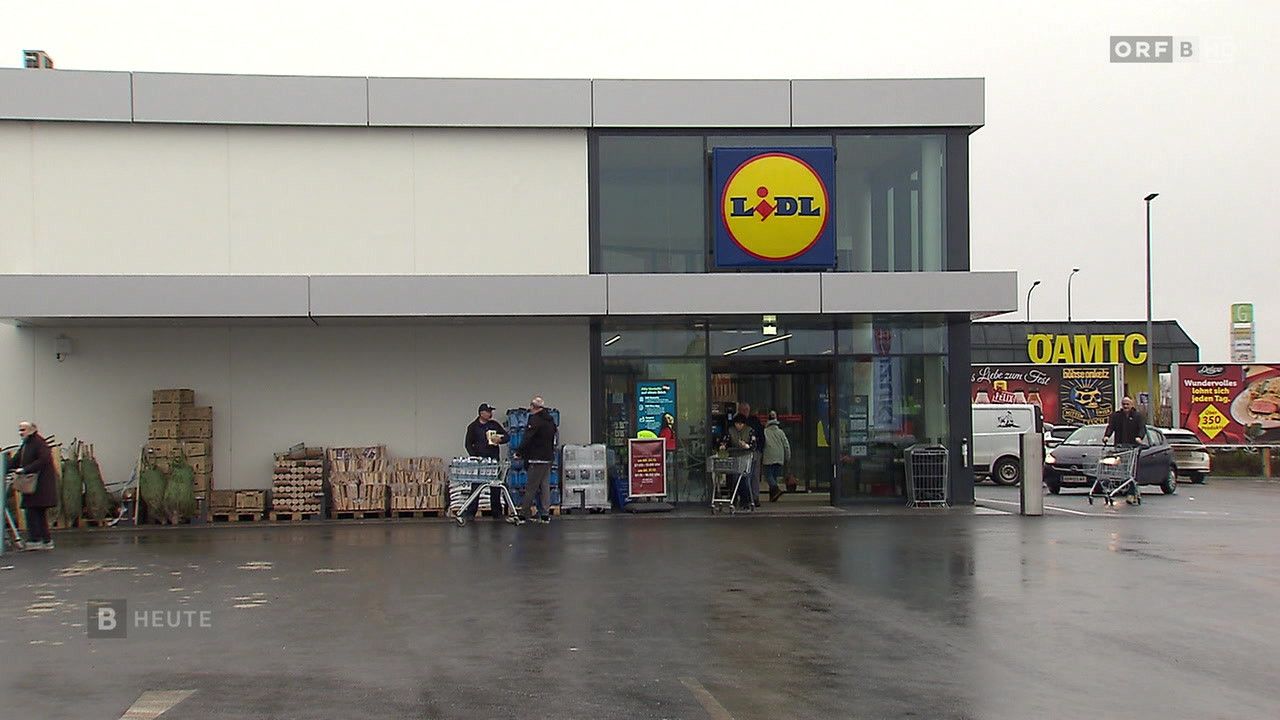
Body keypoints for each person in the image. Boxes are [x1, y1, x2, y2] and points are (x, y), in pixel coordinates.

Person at [9, 421, 57, 551]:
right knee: (37, 512)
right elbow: (16, 460)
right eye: (20, 430)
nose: (21, 432)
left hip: (38, 485)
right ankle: (44, 540)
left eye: (23, 429)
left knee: (33, 511)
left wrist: (25, 469)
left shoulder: (38, 443)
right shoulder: (28, 444)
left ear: (31, 430)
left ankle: (36, 539)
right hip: (35, 485)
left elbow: (42, 460)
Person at [463, 403, 509, 520]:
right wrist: (474, 456)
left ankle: (497, 513)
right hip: (480, 461)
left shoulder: (494, 425)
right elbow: (468, 444)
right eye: (488, 412)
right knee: (476, 486)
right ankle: (471, 512)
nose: (490, 414)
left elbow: (507, 436)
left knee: (495, 486)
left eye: (491, 412)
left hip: (493, 460)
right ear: (481, 413)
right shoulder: (473, 427)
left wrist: (500, 439)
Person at [514, 396, 556, 525]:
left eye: (531, 407)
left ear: (534, 407)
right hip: (547, 457)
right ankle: (544, 514)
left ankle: (523, 515)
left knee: (531, 487)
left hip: (536, 458)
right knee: (544, 486)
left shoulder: (535, 420)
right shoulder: (550, 420)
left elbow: (528, 437)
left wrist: (519, 452)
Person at [1103, 396, 1147, 505]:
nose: (1125, 406)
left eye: (1127, 404)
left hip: (1133, 447)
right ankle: (1125, 490)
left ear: (1131, 405)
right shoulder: (1116, 416)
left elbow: (1142, 428)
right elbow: (1110, 427)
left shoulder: (1137, 416)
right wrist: (1107, 436)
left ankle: (1131, 494)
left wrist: (1139, 437)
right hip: (1120, 447)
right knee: (1122, 471)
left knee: (1131, 471)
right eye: (1124, 404)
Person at [723, 414, 757, 508]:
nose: (739, 426)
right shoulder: (731, 430)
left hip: (746, 457)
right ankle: (734, 499)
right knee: (734, 479)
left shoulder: (750, 431)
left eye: (741, 424)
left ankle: (745, 500)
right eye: (737, 424)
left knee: (744, 479)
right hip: (735, 457)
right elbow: (726, 441)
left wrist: (747, 446)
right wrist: (723, 446)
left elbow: (753, 445)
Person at [738, 402, 766, 507]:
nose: (745, 412)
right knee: (745, 475)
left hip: (754, 452)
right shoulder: (738, 422)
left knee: (753, 475)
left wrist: (759, 449)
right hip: (742, 452)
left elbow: (761, 437)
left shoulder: (754, 421)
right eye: (743, 410)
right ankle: (746, 497)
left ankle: (754, 497)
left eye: (746, 410)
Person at [762, 411, 792, 503]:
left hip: (768, 456)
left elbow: (762, 444)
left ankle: (775, 489)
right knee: (774, 476)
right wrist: (787, 457)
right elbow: (786, 445)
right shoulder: (780, 432)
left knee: (768, 476)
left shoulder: (765, 432)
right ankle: (773, 496)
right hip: (779, 457)